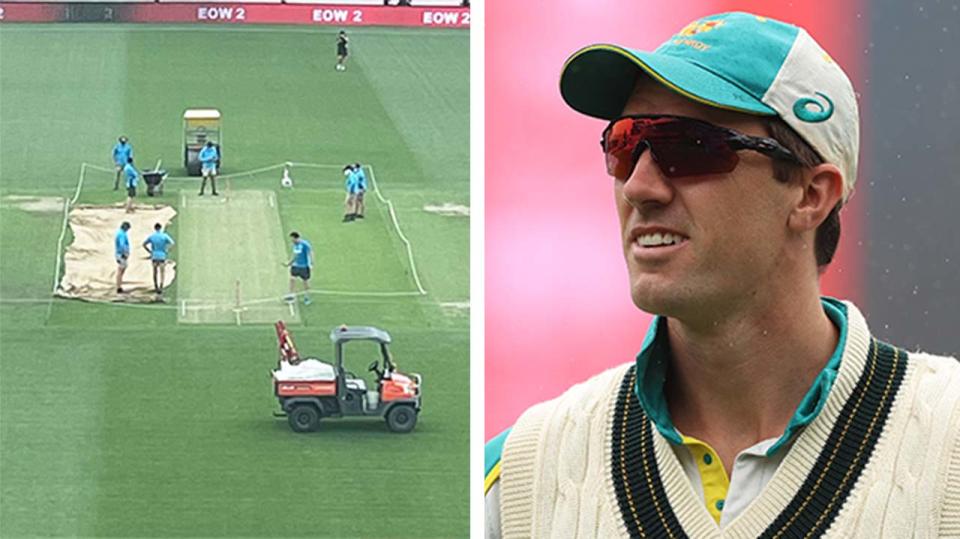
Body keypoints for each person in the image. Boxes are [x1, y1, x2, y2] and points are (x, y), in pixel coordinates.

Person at [485, 12, 960, 538]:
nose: (639, 186)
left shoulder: (948, 446)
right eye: (624, 145)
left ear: (810, 195)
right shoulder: (522, 472)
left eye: (687, 148)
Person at [142, 223, 174, 295]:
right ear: (160, 228)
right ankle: (161, 285)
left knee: (155, 272)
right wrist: (167, 249)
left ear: (155, 228)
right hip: (162, 255)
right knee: (162, 272)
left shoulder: (152, 236)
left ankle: (156, 285)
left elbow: (144, 244)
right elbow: (172, 243)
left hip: (154, 256)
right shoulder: (164, 236)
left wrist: (150, 251)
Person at [285, 232, 313, 305]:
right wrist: (290, 263)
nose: (292, 241)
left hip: (304, 266)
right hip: (296, 266)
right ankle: (291, 296)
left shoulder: (305, 244)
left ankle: (307, 297)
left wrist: (311, 263)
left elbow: (310, 252)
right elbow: (295, 256)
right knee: (292, 279)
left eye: (292, 239)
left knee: (305, 281)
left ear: (296, 238)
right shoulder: (295, 245)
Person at [114, 221, 131, 294]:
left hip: (120, 254)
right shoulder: (122, 234)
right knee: (120, 270)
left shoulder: (120, 233)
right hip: (121, 254)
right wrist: (124, 253)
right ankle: (118, 287)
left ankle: (119, 285)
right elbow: (122, 245)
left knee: (122, 269)